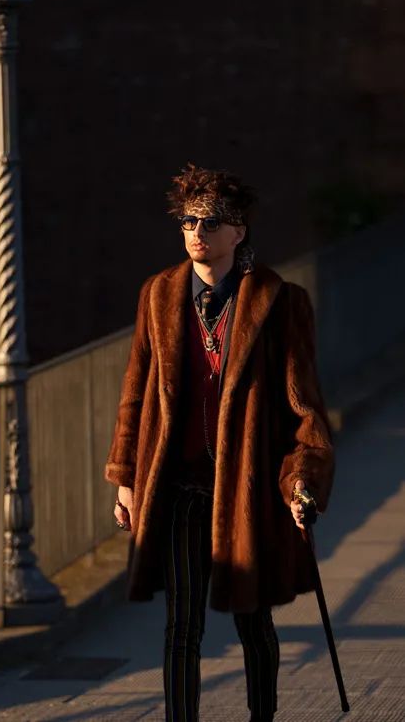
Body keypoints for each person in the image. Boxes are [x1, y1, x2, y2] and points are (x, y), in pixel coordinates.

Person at [104, 163, 335, 722]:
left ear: (238, 232)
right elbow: (134, 394)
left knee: (254, 621)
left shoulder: (279, 302)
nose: (196, 233)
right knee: (181, 625)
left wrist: (302, 481)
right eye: (188, 221)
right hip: (180, 488)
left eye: (210, 222)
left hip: (245, 491)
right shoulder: (158, 296)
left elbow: (303, 409)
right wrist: (126, 478)